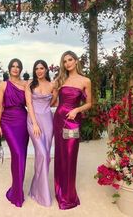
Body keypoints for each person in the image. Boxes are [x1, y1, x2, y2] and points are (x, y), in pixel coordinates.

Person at [53, 50, 92, 210]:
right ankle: (59, 190)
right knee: (61, 155)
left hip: (73, 122)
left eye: (70, 59)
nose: (67, 63)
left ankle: (69, 196)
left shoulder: (85, 80)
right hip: (59, 120)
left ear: (76, 61)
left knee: (70, 155)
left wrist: (77, 110)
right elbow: (53, 101)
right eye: (64, 61)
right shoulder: (61, 80)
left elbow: (90, 103)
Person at [0, 58, 29, 207]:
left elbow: (31, 104)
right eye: (13, 66)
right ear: (9, 69)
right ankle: (16, 192)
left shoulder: (25, 84)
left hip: (22, 121)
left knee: (21, 155)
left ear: (20, 69)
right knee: (16, 154)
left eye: (18, 67)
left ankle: (17, 189)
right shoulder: (3, 85)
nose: (15, 69)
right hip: (7, 122)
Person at [25, 60, 56, 207]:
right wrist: (35, 123)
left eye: (41, 68)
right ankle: (42, 195)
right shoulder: (30, 84)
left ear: (46, 70)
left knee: (46, 156)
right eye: (36, 68)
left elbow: (54, 102)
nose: (39, 71)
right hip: (33, 121)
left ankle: (35, 190)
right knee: (42, 153)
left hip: (48, 122)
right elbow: (29, 104)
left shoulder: (52, 85)